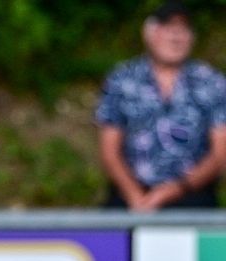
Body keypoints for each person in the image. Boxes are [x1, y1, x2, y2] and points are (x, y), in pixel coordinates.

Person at [96, 1, 226, 210]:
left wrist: (174, 190)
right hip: (130, 196)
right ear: (150, 34)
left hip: (192, 196)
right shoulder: (121, 79)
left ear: (192, 38)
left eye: (183, 30)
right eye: (168, 29)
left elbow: (220, 153)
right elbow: (109, 149)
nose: (176, 37)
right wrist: (134, 196)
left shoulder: (212, 82)